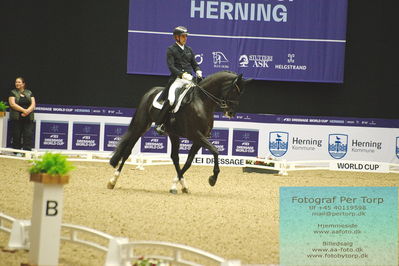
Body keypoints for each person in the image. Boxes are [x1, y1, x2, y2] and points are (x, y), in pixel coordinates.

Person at [155, 26, 202, 135]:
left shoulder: (189, 49)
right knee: (171, 100)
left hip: (190, 80)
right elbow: (171, 66)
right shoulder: (171, 50)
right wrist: (182, 74)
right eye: (183, 36)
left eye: (186, 36)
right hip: (177, 80)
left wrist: (198, 70)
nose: (185, 38)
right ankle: (159, 124)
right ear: (176, 37)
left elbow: (194, 64)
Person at [8, 77, 36, 153]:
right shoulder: (13, 92)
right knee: (17, 135)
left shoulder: (29, 92)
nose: (17, 83)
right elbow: (12, 104)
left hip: (28, 118)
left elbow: (33, 104)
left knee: (28, 135)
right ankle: (17, 152)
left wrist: (27, 112)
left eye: (19, 82)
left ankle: (27, 152)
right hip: (17, 118)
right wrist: (24, 111)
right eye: (16, 82)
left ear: (23, 84)